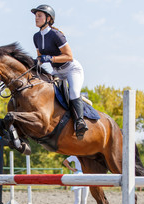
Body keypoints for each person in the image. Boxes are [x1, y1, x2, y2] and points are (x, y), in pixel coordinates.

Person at [31, 4, 88, 138]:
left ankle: (80, 122)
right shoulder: (36, 37)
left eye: (39, 15)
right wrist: (36, 62)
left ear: (48, 18)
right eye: (36, 16)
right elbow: (40, 57)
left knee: (73, 92)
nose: (36, 18)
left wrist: (50, 58)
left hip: (71, 69)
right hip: (57, 71)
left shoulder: (56, 35)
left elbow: (69, 56)